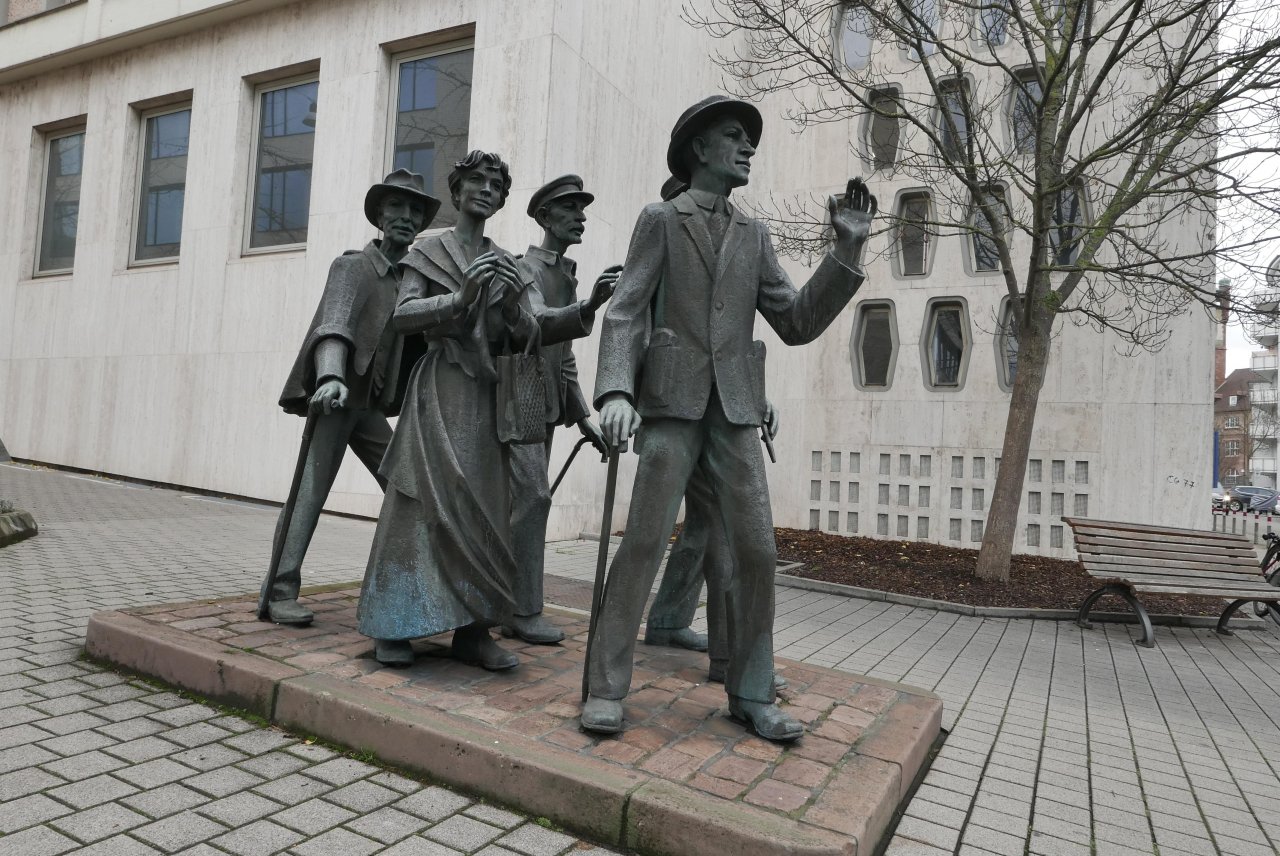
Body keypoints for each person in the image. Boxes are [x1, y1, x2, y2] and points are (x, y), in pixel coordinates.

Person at [582, 96, 876, 741]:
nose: (748, 148)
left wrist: (846, 250)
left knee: (757, 551)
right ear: (699, 149)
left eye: (750, 140)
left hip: (735, 413)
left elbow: (794, 321)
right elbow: (626, 310)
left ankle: (750, 690)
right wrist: (614, 393)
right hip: (671, 407)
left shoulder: (755, 235)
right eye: (735, 136)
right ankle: (605, 686)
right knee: (642, 544)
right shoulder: (661, 219)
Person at [357, 151, 590, 668]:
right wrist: (460, 299)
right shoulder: (428, 249)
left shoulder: (507, 261)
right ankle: (393, 622)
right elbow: (402, 316)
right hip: (439, 390)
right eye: (477, 181)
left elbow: (532, 328)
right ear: (458, 190)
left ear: (502, 199)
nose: (487, 189)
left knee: (486, 508)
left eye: (496, 185)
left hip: (486, 398)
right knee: (417, 503)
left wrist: (575, 309)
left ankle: (474, 629)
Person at [265, 169, 440, 626]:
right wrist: (330, 377)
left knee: (407, 490)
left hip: (370, 408)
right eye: (396, 207)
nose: (406, 216)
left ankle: (409, 586)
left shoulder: (413, 279)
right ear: (379, 215)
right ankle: (280, 590)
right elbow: (334, 325)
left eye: (415, 210)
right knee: (309, 494)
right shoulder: (353, 267)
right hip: (337, 400)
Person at [503, 175, 620, 644]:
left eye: (582, 209)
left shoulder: (566, 274)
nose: (581, 217)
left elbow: (564, 355)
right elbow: (535, 322)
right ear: (545, 217)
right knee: (534, 499)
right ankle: (522, 610)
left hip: (547, 406)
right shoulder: (523, 268)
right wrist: (589, 305)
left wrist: (583, 416)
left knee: (524, 504)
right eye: (570, 209)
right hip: (518, 401)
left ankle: (508, 601)